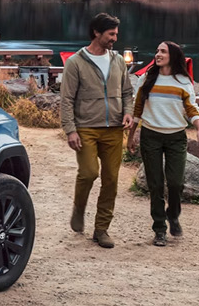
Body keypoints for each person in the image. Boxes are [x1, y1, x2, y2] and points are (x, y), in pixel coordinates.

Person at [61, 13, 135, 249]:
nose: (115, 38)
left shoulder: (119, 61)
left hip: (114, 128)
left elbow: (127, 93)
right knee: (89, 173)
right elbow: (66, 99)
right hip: (86, 128)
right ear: (96, 32)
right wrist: (70, 130)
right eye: (111, 34)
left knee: (111, 179)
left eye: (116, 34)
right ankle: (79, 208)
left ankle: (101, 229)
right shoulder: (75, 62)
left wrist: (128, 112)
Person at [126, 41, 198, 247]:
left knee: (176, 183)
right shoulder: (147, 78)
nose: (157, 54)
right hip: (151, 136)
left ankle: (173, 215)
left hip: (176, 137)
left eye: (162, 51)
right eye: (157, 50)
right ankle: (159, 229)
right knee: (155, 184)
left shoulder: (184, 81)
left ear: (173, 56)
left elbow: (191, 109)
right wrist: (131, 137)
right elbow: (137, 109)